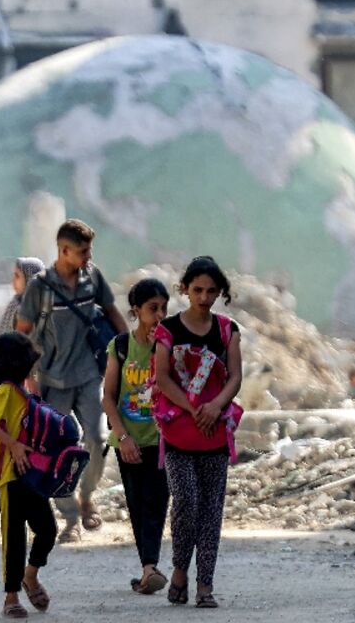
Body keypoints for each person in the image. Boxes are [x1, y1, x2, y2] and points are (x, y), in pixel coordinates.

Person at [16, 219, 126, 542]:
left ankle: (88, 495)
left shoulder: (92, 277)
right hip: (51, 378)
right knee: (56, 449)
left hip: (89, 375)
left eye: (89, 249)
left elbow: (112, 311)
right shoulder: (39, 287)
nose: (88, 256)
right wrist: (28, 377)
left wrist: (129, 349)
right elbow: (22, 334)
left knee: (97, 437)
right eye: (82, 251)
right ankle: (70, 515)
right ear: (64, 251)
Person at [152, 256, 243, 609]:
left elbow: (235, 376)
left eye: (211, 291)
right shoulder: (169, 330)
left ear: (220, 293)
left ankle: (205, 585)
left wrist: (216, 406)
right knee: (186, 502)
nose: (204, 297)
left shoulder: (227, 330)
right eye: (197, 290)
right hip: (178, 431)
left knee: (211, 511)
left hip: (214, 433)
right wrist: (194, 408)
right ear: (185, 290)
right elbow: (162, 377)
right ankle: (178, 571)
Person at [0, 332, 56, 619]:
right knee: (14, 537)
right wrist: (12, 444)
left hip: (30, 473)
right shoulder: (6, 390)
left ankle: (30, 575)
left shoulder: (23, 390)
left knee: (47, 529)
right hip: (8, 475)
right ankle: (11, 597)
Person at [102, 278, 171, 595]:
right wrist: (123, 436)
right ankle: (149, 568)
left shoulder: (169, 345)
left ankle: (149, 567)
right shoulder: (120, 346)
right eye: (152, 309)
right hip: (128, 439)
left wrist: (165, 349)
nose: (159, 315)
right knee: (137, 504)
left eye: (163, 308)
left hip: (161, 440)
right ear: (136, 311)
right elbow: (109, 397)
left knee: (157, 502)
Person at [0, 258, 45, 334]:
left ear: (30, 278)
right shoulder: (14, 304)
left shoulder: (41, 309)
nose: (13, 281)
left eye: (17, 276)